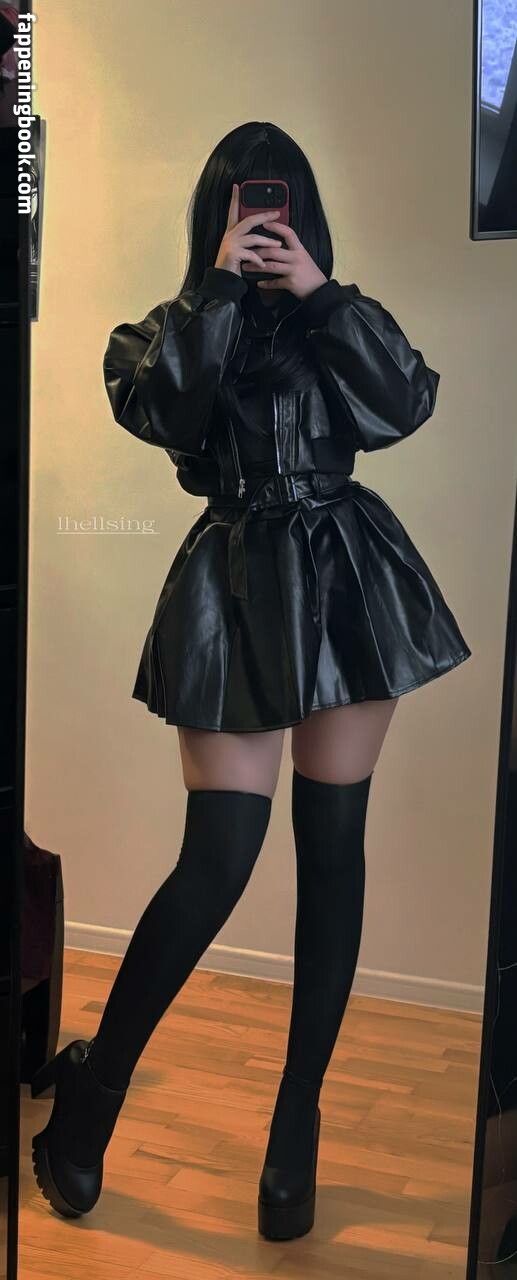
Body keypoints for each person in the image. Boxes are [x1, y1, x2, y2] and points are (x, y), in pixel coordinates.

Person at [31, 120, 471, 1239]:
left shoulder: (336, 317)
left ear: (303, 213)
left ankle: (294, 1125)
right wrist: (218, 293)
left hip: (345, 581)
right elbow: (164, 414)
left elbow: (405, 402)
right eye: (243, 203)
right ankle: (93, 1097)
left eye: (277, 204)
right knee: (217, 859)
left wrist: (319, 294)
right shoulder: (166, 332)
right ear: (216, 215)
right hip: (230, 583)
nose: (262, 220)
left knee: (332, 850)